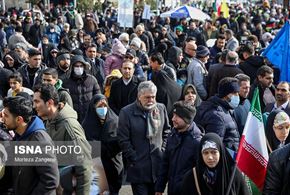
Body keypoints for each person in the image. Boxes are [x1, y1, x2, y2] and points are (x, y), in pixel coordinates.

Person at [33, 84, 92, 195]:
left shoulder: (70, 127)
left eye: (37, 102)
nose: (34, 106)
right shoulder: (49, 122)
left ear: (49, 102)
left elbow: (84, 168)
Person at [118, 81, 171, 195]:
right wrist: (133, 157)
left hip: (157, 167)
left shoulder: (161, 109)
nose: (151, 100)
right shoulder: (126, 112)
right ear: (139, 96)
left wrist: (163, 149)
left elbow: (166, 131)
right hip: (138, 169)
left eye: (153, 97)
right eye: (147, 97)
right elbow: (123, 139)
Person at [2, 96, 59, 194]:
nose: (2, 118)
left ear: (19, 120)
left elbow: (50, 180)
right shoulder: (18, 136)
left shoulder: (40, 141)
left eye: (6, 116)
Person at [155, 101, 202, 195]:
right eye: (173, 115)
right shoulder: (172, 135)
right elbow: (165, 163)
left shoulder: (197, 142)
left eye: (177, 116)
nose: (173, 119)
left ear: (187, 119)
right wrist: (159, 188)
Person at [181, 133, 249, 195]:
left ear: (221, 152)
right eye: (205, 153)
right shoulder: (192, 177)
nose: (210, 157)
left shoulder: (233, 174)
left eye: (214, 152)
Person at [82, 94, 123, 195]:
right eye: (99, 106)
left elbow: (121, 142)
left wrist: (102, 146)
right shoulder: (87, 124)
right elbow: (86, 144)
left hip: (113, 165)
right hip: (96, 167)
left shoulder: (115, 121)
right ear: (93, 107)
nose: (103, 109)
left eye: (105, 106)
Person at [195, 77, 240, 151]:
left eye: (238, 93)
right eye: (234, 93)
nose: (237, 96)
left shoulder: (225, 109)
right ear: (225, 95)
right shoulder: (217, 116)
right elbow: (214, 146)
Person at [63, 55, 101, 122]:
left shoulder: (92, 80)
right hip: (74, 117)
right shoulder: (66, 82)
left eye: (81, 66)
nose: (79, 68)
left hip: (90, 116)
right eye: (76, 66)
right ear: (72, 67)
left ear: (84, 67)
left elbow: (98, 98)